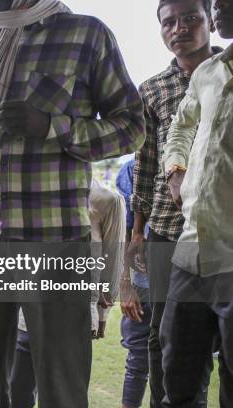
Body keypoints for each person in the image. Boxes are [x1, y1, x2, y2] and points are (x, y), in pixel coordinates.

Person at [0, 0, 145, 406]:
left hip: (53, 235)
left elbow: (131, 128)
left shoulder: (87, 35)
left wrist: (54, 127)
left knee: (61, 385)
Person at [126, 0, 219, 405]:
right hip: (167, 229)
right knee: (164, 335)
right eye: (169, 22)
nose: (179, 29)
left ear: (211, 20)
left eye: (191, 19)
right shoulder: (152, 90)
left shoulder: (228, 74)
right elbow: (144, 167)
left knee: (218, 333)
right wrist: (136, 233)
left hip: (222, 230)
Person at [161, 0, 233, 405]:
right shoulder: (207, 72)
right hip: (189, 255)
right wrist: (175, 170)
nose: (219, 7)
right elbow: (181, 125)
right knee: (178, 379)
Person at [8, 178, 126, 408]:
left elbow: (112, 259)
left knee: (65, 394)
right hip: (30, 310)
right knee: (19, 390)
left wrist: (102, 312)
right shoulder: (34, 190)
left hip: (76, 312)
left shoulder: (106, 199)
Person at [117, 159, 152, 408]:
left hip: (186, 278)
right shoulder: (132, 169)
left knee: (182, 360)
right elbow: (123, 234)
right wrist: (125, 285)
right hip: (143, 282)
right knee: (138, 360)